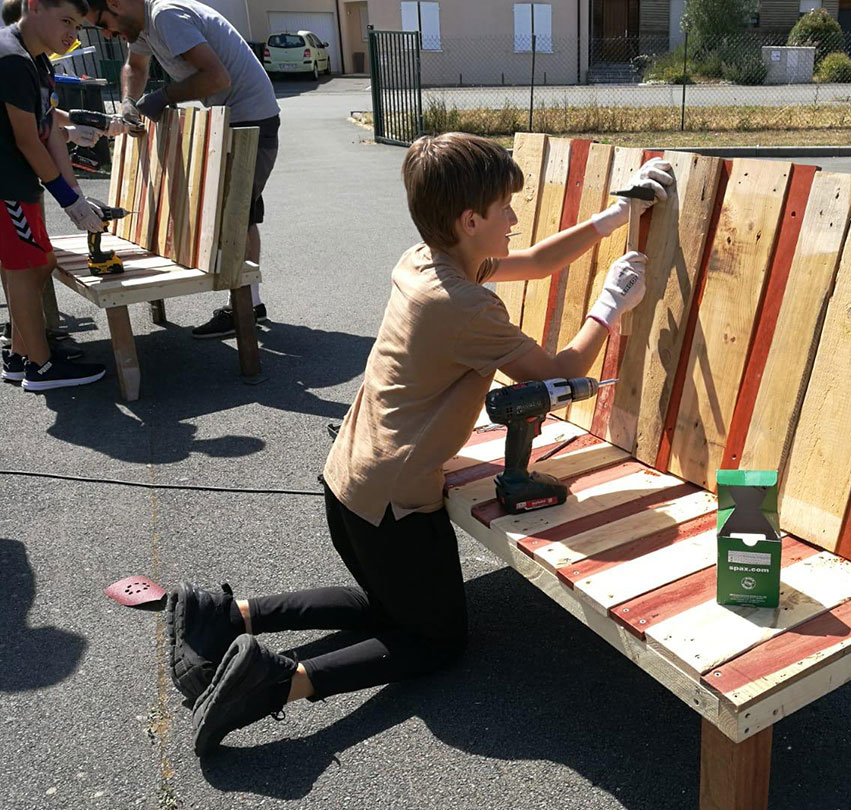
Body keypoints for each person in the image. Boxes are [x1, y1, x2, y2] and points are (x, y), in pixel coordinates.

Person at [169, 132, 673, 755]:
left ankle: (229, 615)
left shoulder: (424, 261)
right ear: (470, 219)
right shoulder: (466, 307)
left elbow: (540, 261)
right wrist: (611, 305)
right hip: (397, 506)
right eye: (504, 208)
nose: (515, 218)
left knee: (389, 603)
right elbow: (557, 372)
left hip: (348, 479)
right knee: (437, 641)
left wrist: (617, 216)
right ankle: (276, 682)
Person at [86, 0, 279, 339]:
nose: (107, 34)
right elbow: (135, 65)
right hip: (233, 116)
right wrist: (130, 102)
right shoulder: (143, 26)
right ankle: (250, 305)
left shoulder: (165, 16)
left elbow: (217, 78)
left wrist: (162, 96)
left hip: (250, 120)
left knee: (233, 214)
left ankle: (244, 308)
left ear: (116, 3)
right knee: (241, 212)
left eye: (103, 23)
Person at [1, 0, 108, 391]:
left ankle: (19, 354)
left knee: (38, 262)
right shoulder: (11, 59)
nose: (73, 35)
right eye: (66, 21)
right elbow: (29, 142)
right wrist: (69, 200)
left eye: (78, 27)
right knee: (25, 271)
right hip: (6, 186)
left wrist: (79, 126)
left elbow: (46, 123)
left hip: (18, 185)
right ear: (33, 7)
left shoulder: (37, 60)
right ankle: (41, 368)